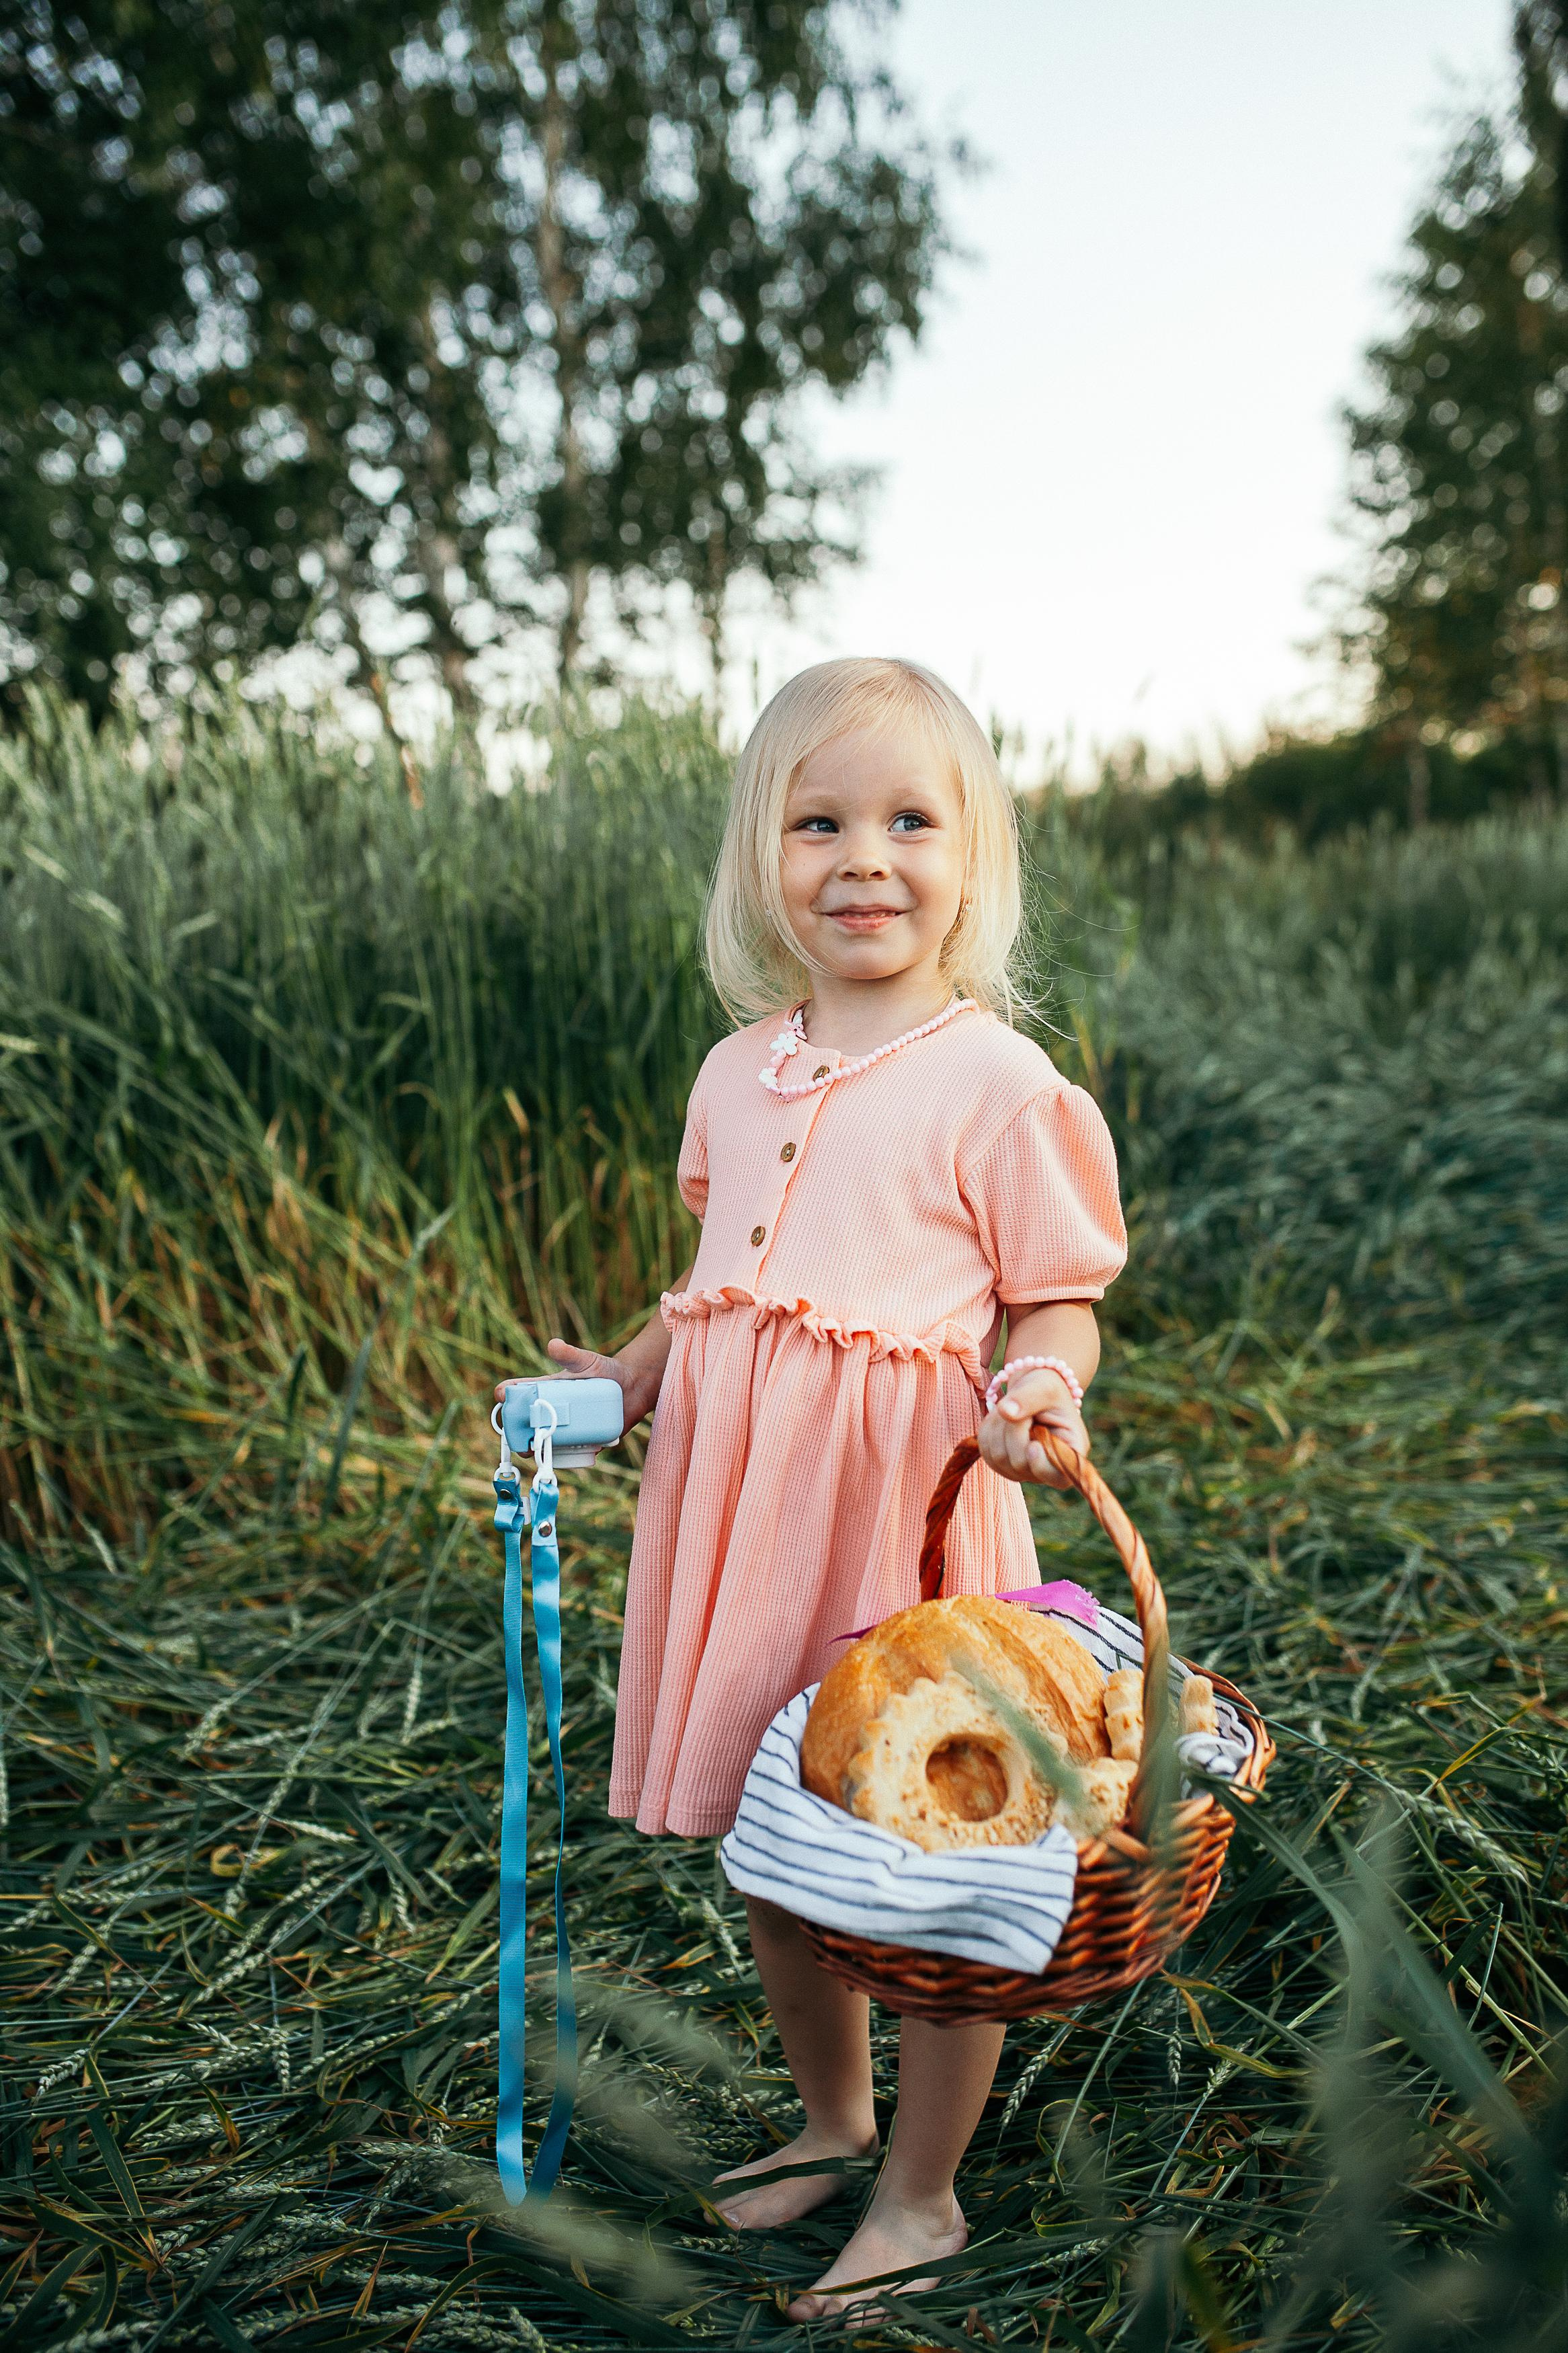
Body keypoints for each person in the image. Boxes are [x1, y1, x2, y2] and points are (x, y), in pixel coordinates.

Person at [536, 657, 1126, 2321]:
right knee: (778, 1846)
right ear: (763, 859)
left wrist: (1042, 1379)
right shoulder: (741, 1072)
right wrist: (630, 1383)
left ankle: (925, 2194)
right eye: (818, 822)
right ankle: (834, 2119)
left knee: (928, 1860)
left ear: (970, 858)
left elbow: (1057, 1284)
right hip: (741, 1515)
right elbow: (715, 1276)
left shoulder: (995, 1081)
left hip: (903, 1517)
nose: (863, 857)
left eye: (908, 821)